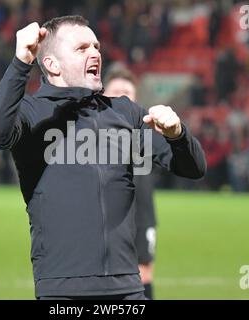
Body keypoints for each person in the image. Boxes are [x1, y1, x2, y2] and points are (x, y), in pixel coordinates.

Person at [0, 15, 206, 300]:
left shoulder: (125, 112)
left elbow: (194, 168)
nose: (95, 52)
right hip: (62, 292)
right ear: (52, 65)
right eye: (82, 48)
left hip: (127, 290)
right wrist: (21, 62)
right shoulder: (31, 113)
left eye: (96, 46)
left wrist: (178, 134)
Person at [103, 64, 157, 299]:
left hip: (138, 222)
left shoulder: (144, 135)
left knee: (142, 277)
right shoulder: (84, 135)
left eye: (128, 94)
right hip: (97, 227)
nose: (122, 99)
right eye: (116, 93)